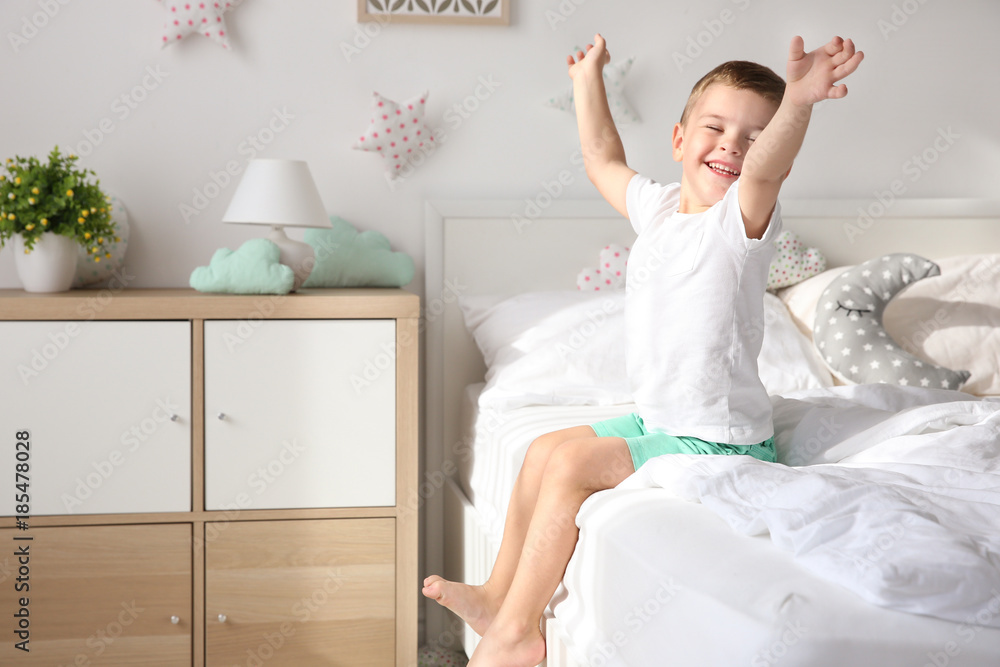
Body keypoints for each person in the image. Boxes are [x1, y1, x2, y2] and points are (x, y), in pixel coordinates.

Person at [423, 33, 864, 667]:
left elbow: (764, 167)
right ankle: (496, 595)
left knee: (573, 466)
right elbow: (602, 157)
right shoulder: (658, 209)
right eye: (715, 128)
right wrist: (587, 82)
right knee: (544, 449)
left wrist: (800, 101)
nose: (734, 145)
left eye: (755, 137)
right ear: (680, 139)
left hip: (720, 437)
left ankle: (518, 632)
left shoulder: (739, 224)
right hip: (658, 418)